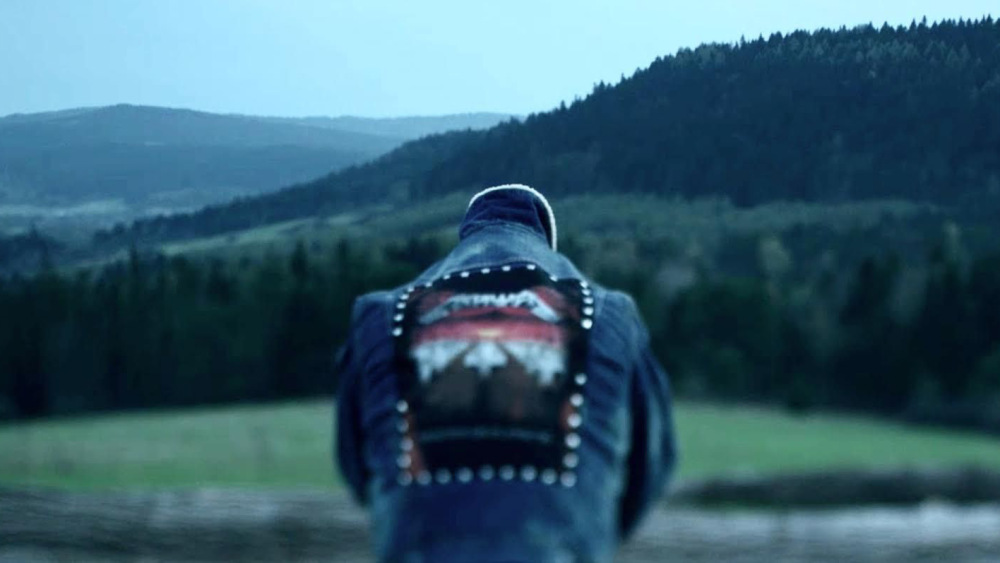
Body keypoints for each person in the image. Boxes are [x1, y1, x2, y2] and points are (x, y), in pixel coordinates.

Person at [336, 184, 677, 563]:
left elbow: (358, 465)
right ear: (546, 241)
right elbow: (649, 467)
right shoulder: (609, 313)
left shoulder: (383, 313)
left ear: (466, 237)